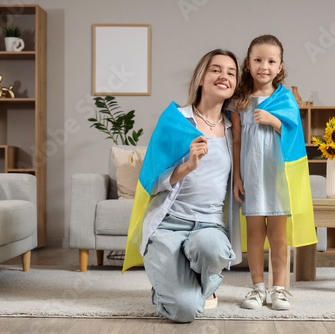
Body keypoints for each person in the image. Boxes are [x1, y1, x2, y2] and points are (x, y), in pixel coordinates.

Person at [122, 49, 243, 323]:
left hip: (210, 225)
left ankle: (185, 280)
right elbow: (151, 183)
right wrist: (187, 166)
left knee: (213, 249)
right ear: (201, 78)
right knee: (185, 311)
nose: (223, 75)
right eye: (216, 69)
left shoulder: (235, 131)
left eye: (231, 72)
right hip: (168, 225)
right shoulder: (176, 120)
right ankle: (169, 286)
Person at [230, 35, 316, 310]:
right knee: (255, 235)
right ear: (247, 63)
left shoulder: (285, 98)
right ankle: (256, 288)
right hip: (252, 177)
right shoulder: (240, 101)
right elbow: (236, 141)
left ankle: (278, 289)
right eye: (257, 60)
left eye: (270, 61)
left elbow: (295, 135)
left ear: (280, 67)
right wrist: (237, 177)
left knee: (278, 236)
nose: (263, 66)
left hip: (278, 176)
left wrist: (275, 121)